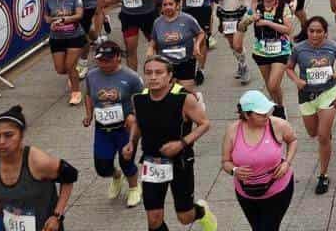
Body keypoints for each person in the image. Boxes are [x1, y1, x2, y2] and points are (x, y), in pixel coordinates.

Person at [123, 56, 216, 231]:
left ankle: (201, 212)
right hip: (152, 162)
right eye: (149, 73)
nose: (153, 77)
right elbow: (138, 122)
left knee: (184, 217)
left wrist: (181, 144)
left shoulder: (184, 98)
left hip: (180, 162)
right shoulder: (139, 98)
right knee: (154, 219)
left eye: (159, 73)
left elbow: (205, 124)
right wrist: (131, 143)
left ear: (170, 76)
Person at [0, 105, 76, 231]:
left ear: (21, 135)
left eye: (8, 135)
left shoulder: (38, 161)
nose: (1, 141)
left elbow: (70, 176)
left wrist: (57, 216)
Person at [285, 16, 336, 195]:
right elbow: (288, 67)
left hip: (327, 93)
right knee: (312, 133)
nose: (314, 34)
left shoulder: (332, 46)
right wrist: (297, 80)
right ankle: (325, 134)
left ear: (325, 32)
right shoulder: (298, 49)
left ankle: (323, 175)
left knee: (322, 137)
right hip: (306, 95)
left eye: (319, 31)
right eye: (311, 31)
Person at [220, 90, 297, 231]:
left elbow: (292, 140)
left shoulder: (278, 125)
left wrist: (287, 163)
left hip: (278, 189)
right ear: (246, 114)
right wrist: (234, 170)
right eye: (260, 114)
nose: (266, 116)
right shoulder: (232, 131)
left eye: (267, 111)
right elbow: (225, 161)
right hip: (246, 193)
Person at [82, 40, 143, 208]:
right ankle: (117, 176)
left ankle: (134, 188)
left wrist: (136, 121)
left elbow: (141, 101)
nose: (103, 64)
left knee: (126, 161)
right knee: (102, 167)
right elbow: (88, 95)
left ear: (118, 58)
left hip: (125, 127)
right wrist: (89, 115)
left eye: (108, 60)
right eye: (100, 60)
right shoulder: (92, 75)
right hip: (102, 128)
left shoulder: (131, 77)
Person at [242, 0, 295, 115]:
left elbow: (288, 29)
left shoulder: (284, 7)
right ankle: (279, 108)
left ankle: (280, 107)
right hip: (262, 50)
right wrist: (250, 19)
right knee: (271, 87)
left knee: (272, 84)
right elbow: (240, 26)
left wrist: (267, 22)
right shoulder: (256, 7)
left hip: (281, 49)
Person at [207, 0, 255, 84]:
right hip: (225, 13)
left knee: (237, 44)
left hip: (241, 12)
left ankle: (244, 67)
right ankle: (240, 63)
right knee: (231, 43)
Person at [148, 0, 204, 93]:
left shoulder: (187, 19)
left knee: (186, 94)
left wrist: (197, 45)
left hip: (186, 62)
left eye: (171, 4)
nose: (168, 7)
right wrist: (150, 48)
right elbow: (153, 39)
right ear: (161, 7)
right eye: (165, 5)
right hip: (166, 64)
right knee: (169, 94)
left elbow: (201, 33)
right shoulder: (157, 22)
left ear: (177, 5)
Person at [45, 0, 86, 105]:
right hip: (57, 38)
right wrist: (52, 21)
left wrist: (64, 19)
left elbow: (79, 15)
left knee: (70, 66)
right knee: (61, 69)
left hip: (74, 36)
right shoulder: (50, 0)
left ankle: (76, 93)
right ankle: (73, 73)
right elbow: (46, 17)